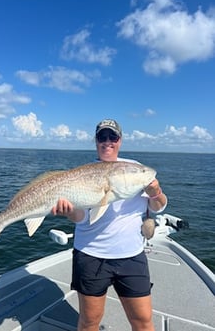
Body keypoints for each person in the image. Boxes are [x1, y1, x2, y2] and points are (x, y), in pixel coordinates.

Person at [51, 119, 167, 331]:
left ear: (120, 141)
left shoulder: (133, 169)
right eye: (102, 137)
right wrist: (69, 213)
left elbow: (159, 206)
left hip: (131, 256)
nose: (107, 142)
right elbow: (83, 219)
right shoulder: (83, 174)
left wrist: (156, 192)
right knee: (89, 321)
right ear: (95, 141)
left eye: (112, 137)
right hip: (91, 256)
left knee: (143, 321)